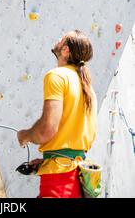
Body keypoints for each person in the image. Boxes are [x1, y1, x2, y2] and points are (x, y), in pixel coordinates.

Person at [17, 30, 97, 198]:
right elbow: (76, 138)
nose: (57, 39)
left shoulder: (57, 76)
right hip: (78, 176)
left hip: (60, 181)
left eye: (61, 39)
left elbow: (47, 129)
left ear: (65, 50)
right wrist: (49, 160)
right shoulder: (87, 88)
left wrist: (25, 135)